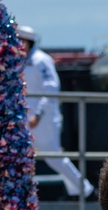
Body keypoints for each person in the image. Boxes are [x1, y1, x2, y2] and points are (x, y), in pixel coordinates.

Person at [18, 25, 95, 200]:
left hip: (43, 119)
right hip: (27, 119)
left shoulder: (41, 61)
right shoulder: (22, 61)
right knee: (28, 157)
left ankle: (85, 190)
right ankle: (77, 192)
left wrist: (38, 114)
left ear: (27, 42)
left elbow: (51, 90)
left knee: (53, 157)